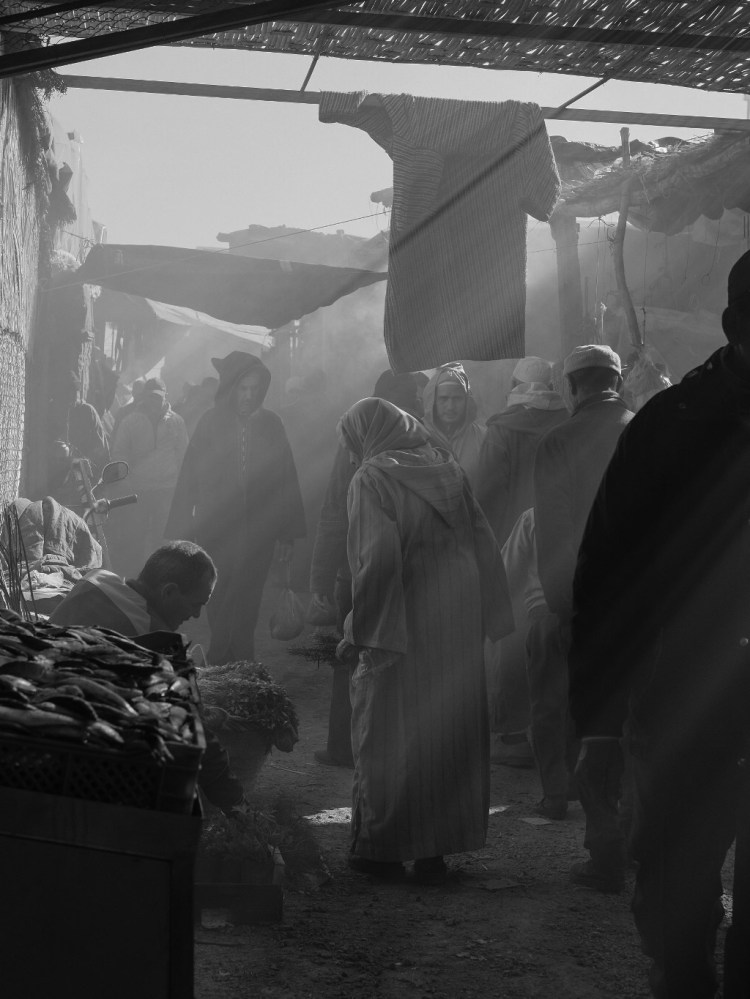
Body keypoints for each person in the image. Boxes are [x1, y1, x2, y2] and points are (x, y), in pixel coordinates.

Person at [569, 251, 750, 998]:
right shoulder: (669, 426)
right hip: (686, 698)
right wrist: (602, 721)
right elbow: (610, 575)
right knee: (679, 881)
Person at [337, 397, 514, 884]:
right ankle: (436, 850)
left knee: (390, 729)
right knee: (446, 729)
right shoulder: (446, 468)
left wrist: (361, 629)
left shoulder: (371, 479)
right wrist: (494, 614)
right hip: (456, 616)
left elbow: (377, 562)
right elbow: (483, 538)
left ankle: (383, 851)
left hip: (403, 619)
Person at [534, 344, 634, 888]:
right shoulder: (646, 428)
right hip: (653, 603)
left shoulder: (558, 442)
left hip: (589, 604)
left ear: (573, 389)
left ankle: (606, 852)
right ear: (617, 380)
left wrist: (560, 601)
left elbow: (553, 531)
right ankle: (644, 841)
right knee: (644, 722)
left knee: (596, 725)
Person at [50, 540, 243, 816]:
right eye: (195, 604)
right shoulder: (157, 642)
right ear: (169, 591)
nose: (196, 615)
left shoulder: (93, 581)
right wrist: (235, 801)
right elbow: (195, 734)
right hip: (83, 757)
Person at [308, 370, 429, 769]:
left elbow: (331, 513)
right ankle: (365, 746)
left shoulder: (373, 444)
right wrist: (322, 577)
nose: (420, 404)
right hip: (379, 574)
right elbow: (332, 513)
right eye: (414, 396)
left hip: (362, 573)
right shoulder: (413, 447)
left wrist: (322, 578)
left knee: (356, 655)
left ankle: (350, 746)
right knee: (373, 656)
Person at [165, 352, 305, 664]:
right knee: (219, 592)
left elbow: (286, 479)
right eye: (243, 388)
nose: (249, 396)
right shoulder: (210, 424)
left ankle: (240, 655)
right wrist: (178, 532)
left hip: (259, 531)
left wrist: (286, 534)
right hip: (217, 529)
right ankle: (221, 653)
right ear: (231, 389)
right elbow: (189, 477)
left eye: (255, 389)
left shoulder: (272, 425)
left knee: (249, 593)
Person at [501, 508, 573, 819]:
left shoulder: (534, 517)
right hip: (598, 615)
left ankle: (555, 795)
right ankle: (594, 791)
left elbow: (506, 572)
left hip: (547, 618)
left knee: (547, 707)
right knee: (594, 706)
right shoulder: (607, 505)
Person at [477, 355, 567, 547]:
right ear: (550, 386)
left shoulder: (500, 430)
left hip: (514, 539)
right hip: (562, 536)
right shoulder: (570, 422)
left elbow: (488, 493)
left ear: (513, 384)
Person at [110, 377, 189, 577]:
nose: (154, 401)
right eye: (151, 397)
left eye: (158, 397)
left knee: (162, 539)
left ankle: (161, 577)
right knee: (135, 537)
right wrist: (125, 482)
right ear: (145, 397)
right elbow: (120, 453)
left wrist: (182, 486)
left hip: (166, 489)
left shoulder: (177, 422)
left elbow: (183, 455)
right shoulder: (130, 421)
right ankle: (133, 577)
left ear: (165, 397)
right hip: (138, 489)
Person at [422, 362, 486, 490]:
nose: (450, 407)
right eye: (443, 399)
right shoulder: (417, 436)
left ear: (467, 401)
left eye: (457, 399)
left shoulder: (483, 438)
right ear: (432, 401)